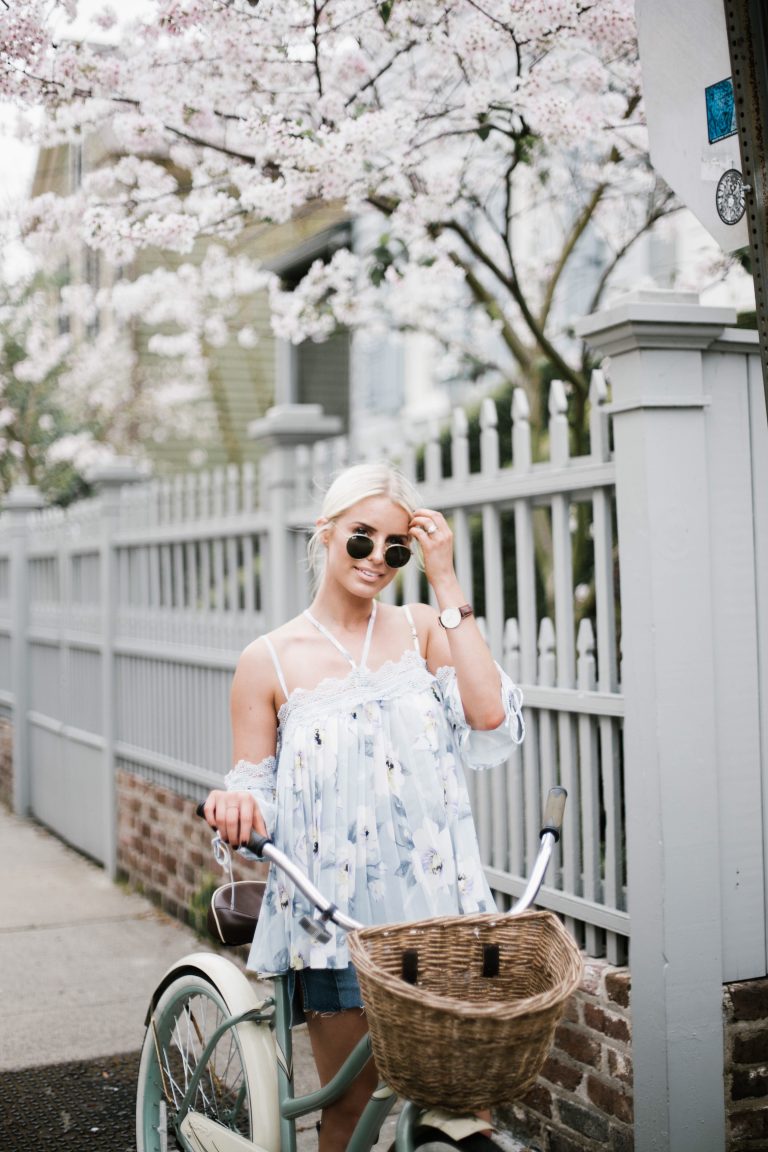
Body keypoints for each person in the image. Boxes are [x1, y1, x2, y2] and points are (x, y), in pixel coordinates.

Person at [203, 462, 524, 1151]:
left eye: (396, 547)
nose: (377, 558)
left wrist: (444, 579)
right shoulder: (269, 660)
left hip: (442, 916)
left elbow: (489, 712)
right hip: (336, 922)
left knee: (467, 1112)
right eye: (360, 538)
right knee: (350, 1114)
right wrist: (236, 800)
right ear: (325, 533)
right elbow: (253, 783)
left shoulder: (420, 629)